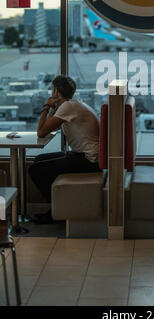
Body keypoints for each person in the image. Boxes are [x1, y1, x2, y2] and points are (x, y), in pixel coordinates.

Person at [29, 75, 100, 223]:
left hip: (87, 159)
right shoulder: (73, 104)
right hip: (85, 156)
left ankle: (56, 211)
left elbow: (41, 132)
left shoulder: (68, 107)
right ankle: (57, 205)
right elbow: (48, 127)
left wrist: (46, 106)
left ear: (56, 92)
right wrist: (52, 109)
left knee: (35, 169)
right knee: (38, 160)